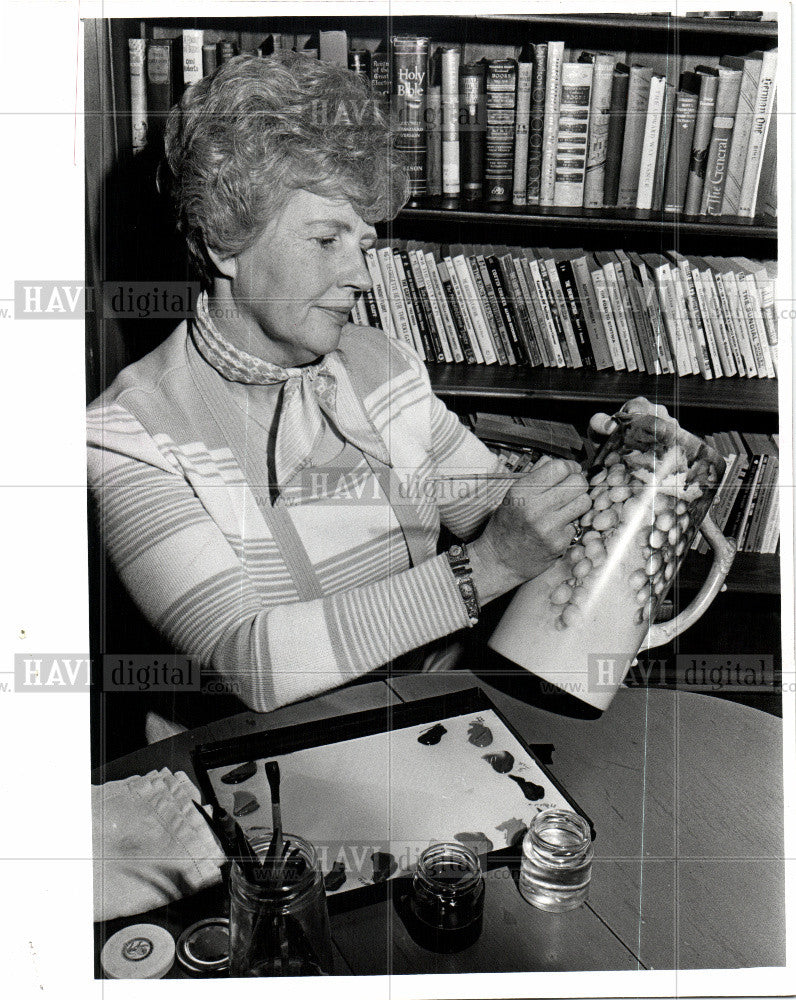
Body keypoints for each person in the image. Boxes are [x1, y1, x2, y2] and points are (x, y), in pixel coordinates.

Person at [87, 53, 590, 731]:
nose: (362, 275)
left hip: (436, 724)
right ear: (223, 243)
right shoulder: (127, 435)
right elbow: (252, 661)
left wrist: (620, 481)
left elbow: (492, 506)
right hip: (266, 762)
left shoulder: (383, 363)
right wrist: (488, 566)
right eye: (326, 239)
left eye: (364, 243)